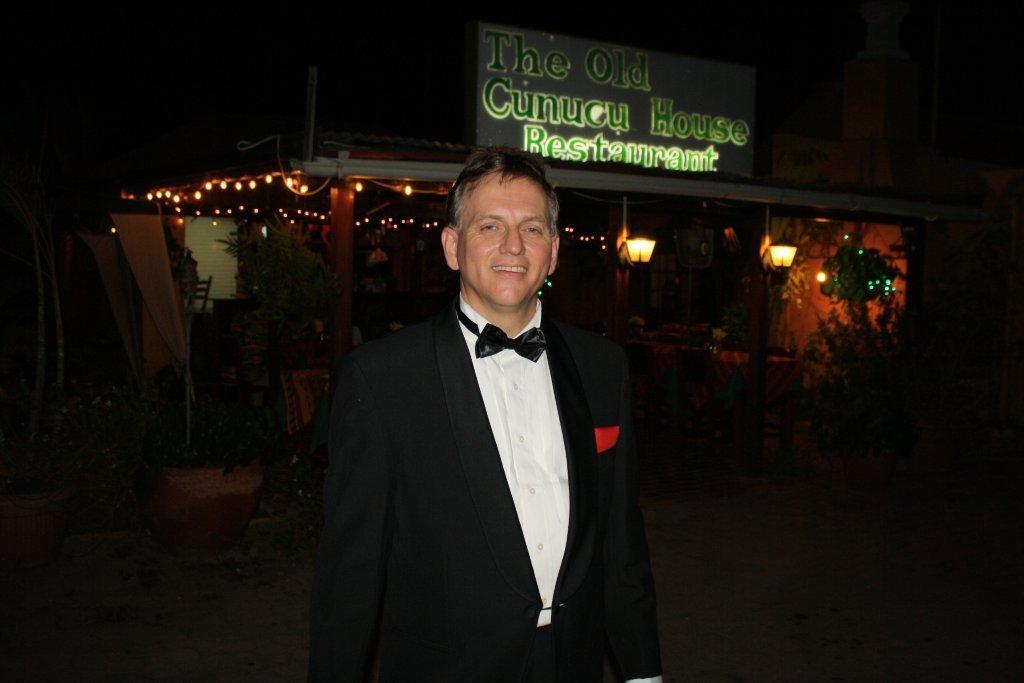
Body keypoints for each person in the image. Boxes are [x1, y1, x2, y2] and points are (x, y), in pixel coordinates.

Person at [308, 148, 662, 682]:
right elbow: (350, 571)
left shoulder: (603, 367)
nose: (513, 246)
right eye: (490, 226)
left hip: (574, 664)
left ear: (554, 252)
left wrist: (643, 672)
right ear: (452, 246)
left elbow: (622, 545)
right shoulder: (383, 378)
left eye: (532, 229)